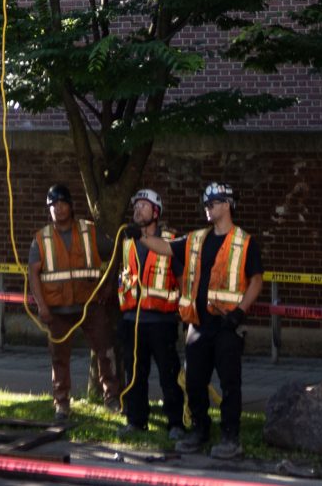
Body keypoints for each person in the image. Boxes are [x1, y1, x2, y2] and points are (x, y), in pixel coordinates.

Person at [176, 181, 263, 462]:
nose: (207, 209)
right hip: (199, 325)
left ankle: (230, 437)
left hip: (227, 325)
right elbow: (166, 248)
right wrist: (139, 234)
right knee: (194, 381)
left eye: (211, 204)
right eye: (205, 204)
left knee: (229, 384)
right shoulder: (198, 239)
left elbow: (256, 281)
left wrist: (240, 311)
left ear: (226, 205)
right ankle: (200, 430)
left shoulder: (244, 241)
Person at [24, 182, 117, 425]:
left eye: (62, 203)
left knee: (105, 351)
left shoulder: (89, 231)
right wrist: (42, 306)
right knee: (59, 358)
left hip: (90, 305)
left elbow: (116, 251)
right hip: (57, 310)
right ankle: (62, 404)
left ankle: (112, 398)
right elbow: (33, 273)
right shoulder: (41, 239)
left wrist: (109, 284)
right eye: (53, 205)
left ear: (70, 206)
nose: (58, 209)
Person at [112, 188, 182, 436]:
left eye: (143, 205)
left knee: (169, 374)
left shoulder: (172, 240)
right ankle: (136, 420)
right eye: (135, 206)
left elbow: (182, 279)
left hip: (162, 321)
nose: (137, 210)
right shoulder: (127, 242)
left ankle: (175, 423)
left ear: (156, 211)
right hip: (133, 320)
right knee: (134, 375)